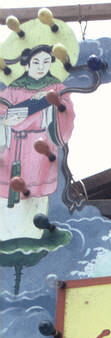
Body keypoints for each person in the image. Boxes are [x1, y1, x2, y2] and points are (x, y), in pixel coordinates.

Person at [0, 44, 75, 242]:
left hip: (40, 149)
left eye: (46, 62)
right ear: (26, 65)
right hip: (13, 147)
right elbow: (1, 111)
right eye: (35, 62)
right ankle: (6, 236)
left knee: (37, 195)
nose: (41, 66)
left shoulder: (57, 87)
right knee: (8, 195)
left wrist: (53, 105)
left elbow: (65, 111)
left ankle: (35, 234)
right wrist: (8, 118)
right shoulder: (13, 88)